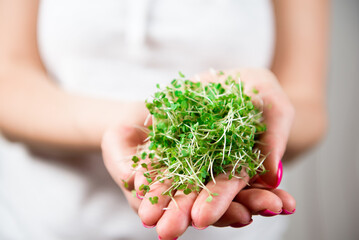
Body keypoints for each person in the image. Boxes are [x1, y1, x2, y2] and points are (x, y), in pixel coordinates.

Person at [0, 0, 328, 239]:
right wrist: (137, 123)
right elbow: (9, 84)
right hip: (47, 224)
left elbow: (308, 105)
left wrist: (262, 123)